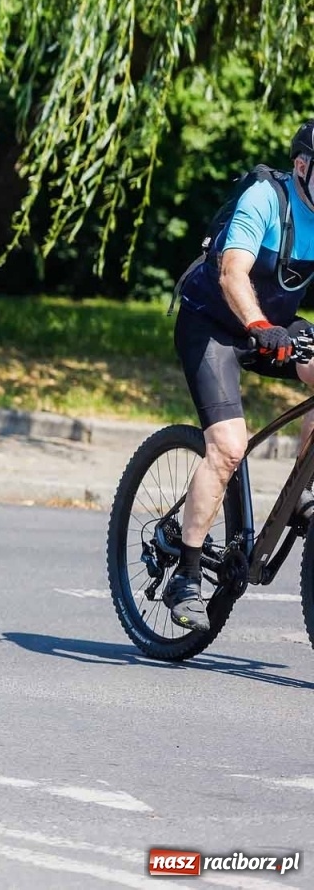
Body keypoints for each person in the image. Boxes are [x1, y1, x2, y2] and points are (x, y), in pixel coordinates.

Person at [166, 120, 314, 631]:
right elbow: (232, 271)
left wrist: (276, 330)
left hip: (273, 325)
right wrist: (259, 326)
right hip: (214, 323)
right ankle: (185, 575)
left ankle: (302, 493)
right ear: (302, 167)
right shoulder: (265, 198)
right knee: (229, 446)